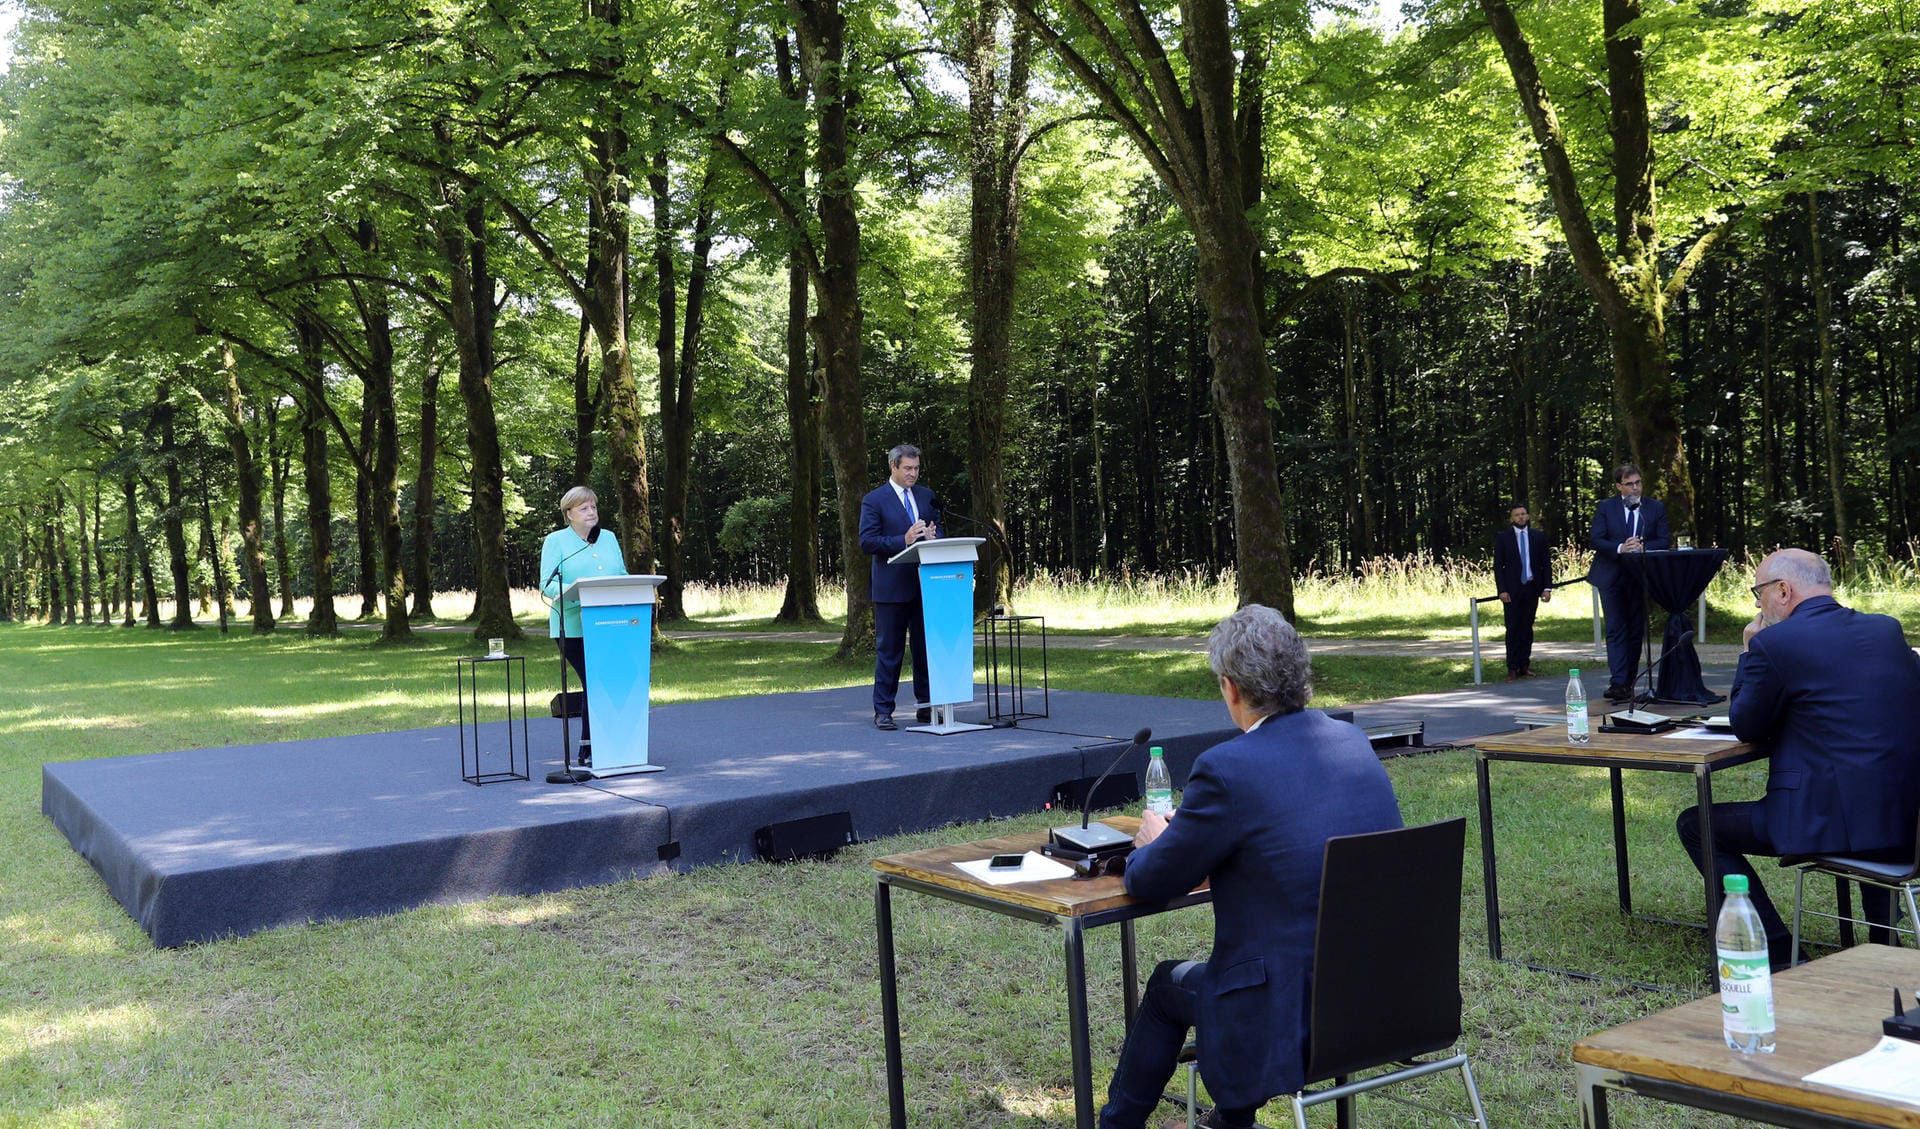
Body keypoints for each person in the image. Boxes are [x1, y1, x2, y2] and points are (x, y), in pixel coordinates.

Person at [1097, 605, 1402, 1129]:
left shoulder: (1226, 768)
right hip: (1385, 995)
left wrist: (1152, 842)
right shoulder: (1351, 742)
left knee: (1171, 985)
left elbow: (1150, 880)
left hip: (1289, 1010)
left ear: (1231, 688)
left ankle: (1115, 1125)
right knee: (1257, 962)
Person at [1675, 549, 1920, 969]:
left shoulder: (1774, 643)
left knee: (1697, 825)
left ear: (1784, 591)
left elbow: (1746, 725)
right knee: (1865, 784)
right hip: (1905, 820)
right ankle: (1883, 940)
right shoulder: (1885, 630)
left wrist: (1749, 650)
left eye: (1759, 592)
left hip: (1827, 820)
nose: (1757, 604)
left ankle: (1779, 954)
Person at [539, 486, 627, 765]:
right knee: (595, 680)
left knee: (609, 681)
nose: (591, 512)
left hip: (610, 624)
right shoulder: (556, 541)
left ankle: (610, 744)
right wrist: (578, 596)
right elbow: (547, 585)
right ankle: (589, 748)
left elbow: (622, 575)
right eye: (584, 508)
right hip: (573, 626)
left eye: (594, 507)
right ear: (569, 514)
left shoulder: (609, 538)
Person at [859, 444, 940, 730]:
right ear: (893, 467)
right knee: (889, 652)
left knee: (924, 651)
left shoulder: (926, 496)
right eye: (908, 468)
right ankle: (883, 711)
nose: (913, 474)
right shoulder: (874, 500)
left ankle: (927, 707)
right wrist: (902, 540)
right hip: (891, 589)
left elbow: (938, 529)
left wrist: (933, 537)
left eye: (917, 468)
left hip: (924, 586)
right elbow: (867, 541)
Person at [1587, 463, 1669, 702]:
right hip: (1611, 576)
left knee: (1635, 631)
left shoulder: (1654, 508)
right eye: (1629, 484)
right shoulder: (1606, 507)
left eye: (1638, 483)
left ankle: (1629, 681)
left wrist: (1644, 547)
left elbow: (1663, 539)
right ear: (1618, 486)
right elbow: (1596, 539)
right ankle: (1618, 682)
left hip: (1639, 578)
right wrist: (1621, 547)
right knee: (1616, 630)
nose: (1635, 488)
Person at [1492, 502, 1553, 680]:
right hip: (1511, 591)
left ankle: (1524, 665)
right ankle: (1512, 667)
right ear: (1511, 518)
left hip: (1532, 588)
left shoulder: (1537, 536)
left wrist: (1546, 588)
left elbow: (1545, 564)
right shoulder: (1504, 538)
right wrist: (1501, 590)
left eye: (1523, 514)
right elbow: (1498, 566)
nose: (1521, 517)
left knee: (1527, 628)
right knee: (1513, 628)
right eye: (1517, 515)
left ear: (1528, 516)